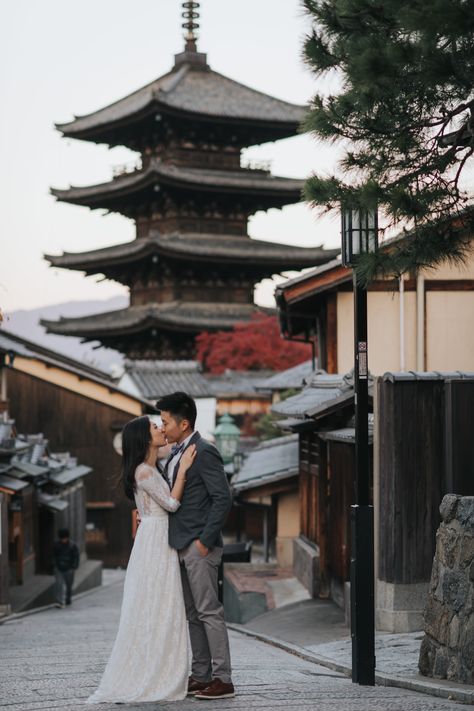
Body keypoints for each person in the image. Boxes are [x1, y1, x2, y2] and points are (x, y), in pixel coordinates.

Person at [87, 415, 196, 704]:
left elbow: (167, 449)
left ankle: (160, 669)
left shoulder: (147, 467)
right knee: (162, 604)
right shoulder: (144, 473)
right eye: (155, 427)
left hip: (153, 537)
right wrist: (184, 469)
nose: (161, 429)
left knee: (159, 604)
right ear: (144, 438)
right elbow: (171, 504)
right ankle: (157, 674)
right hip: (157, 539)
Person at [156, 391, 234, 700]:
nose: (162, 428)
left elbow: (222, 498)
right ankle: (201, 675)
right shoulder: (176, 452)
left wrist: (205, 540)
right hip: (180, 544)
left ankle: (223, 678)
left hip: (199, 546)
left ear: (183, 423)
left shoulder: (205, 451)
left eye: (165, 422)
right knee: (192, 614)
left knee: (208, 611)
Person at [53, 528, 79, 607]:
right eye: (62, 538)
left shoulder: (72, 545)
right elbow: (53, 556)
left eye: (65, 538)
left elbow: (76, 556)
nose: (64, 540)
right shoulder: (56, 545)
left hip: (69, 568)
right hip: (59, 567)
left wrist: (74, 567)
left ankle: (68, 599)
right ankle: (59, 601)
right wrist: (54, 565)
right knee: (59, 584)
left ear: (67, 537)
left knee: (69, 585)